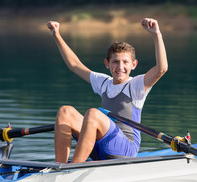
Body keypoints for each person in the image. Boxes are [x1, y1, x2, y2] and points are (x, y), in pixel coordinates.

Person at [47, 18, 168, 163]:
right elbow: (74, 65)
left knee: (93, 114)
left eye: (125, 62)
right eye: (115, 61)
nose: (120, 66)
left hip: (125, 151)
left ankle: (72, 168)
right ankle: (58, 167)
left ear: (134, 65)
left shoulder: (136, 86)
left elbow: (161, 69)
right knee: (65, 112)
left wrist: (156, 34)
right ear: (107, 63)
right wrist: (56, 35)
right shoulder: (104, 82)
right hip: (100, 147)